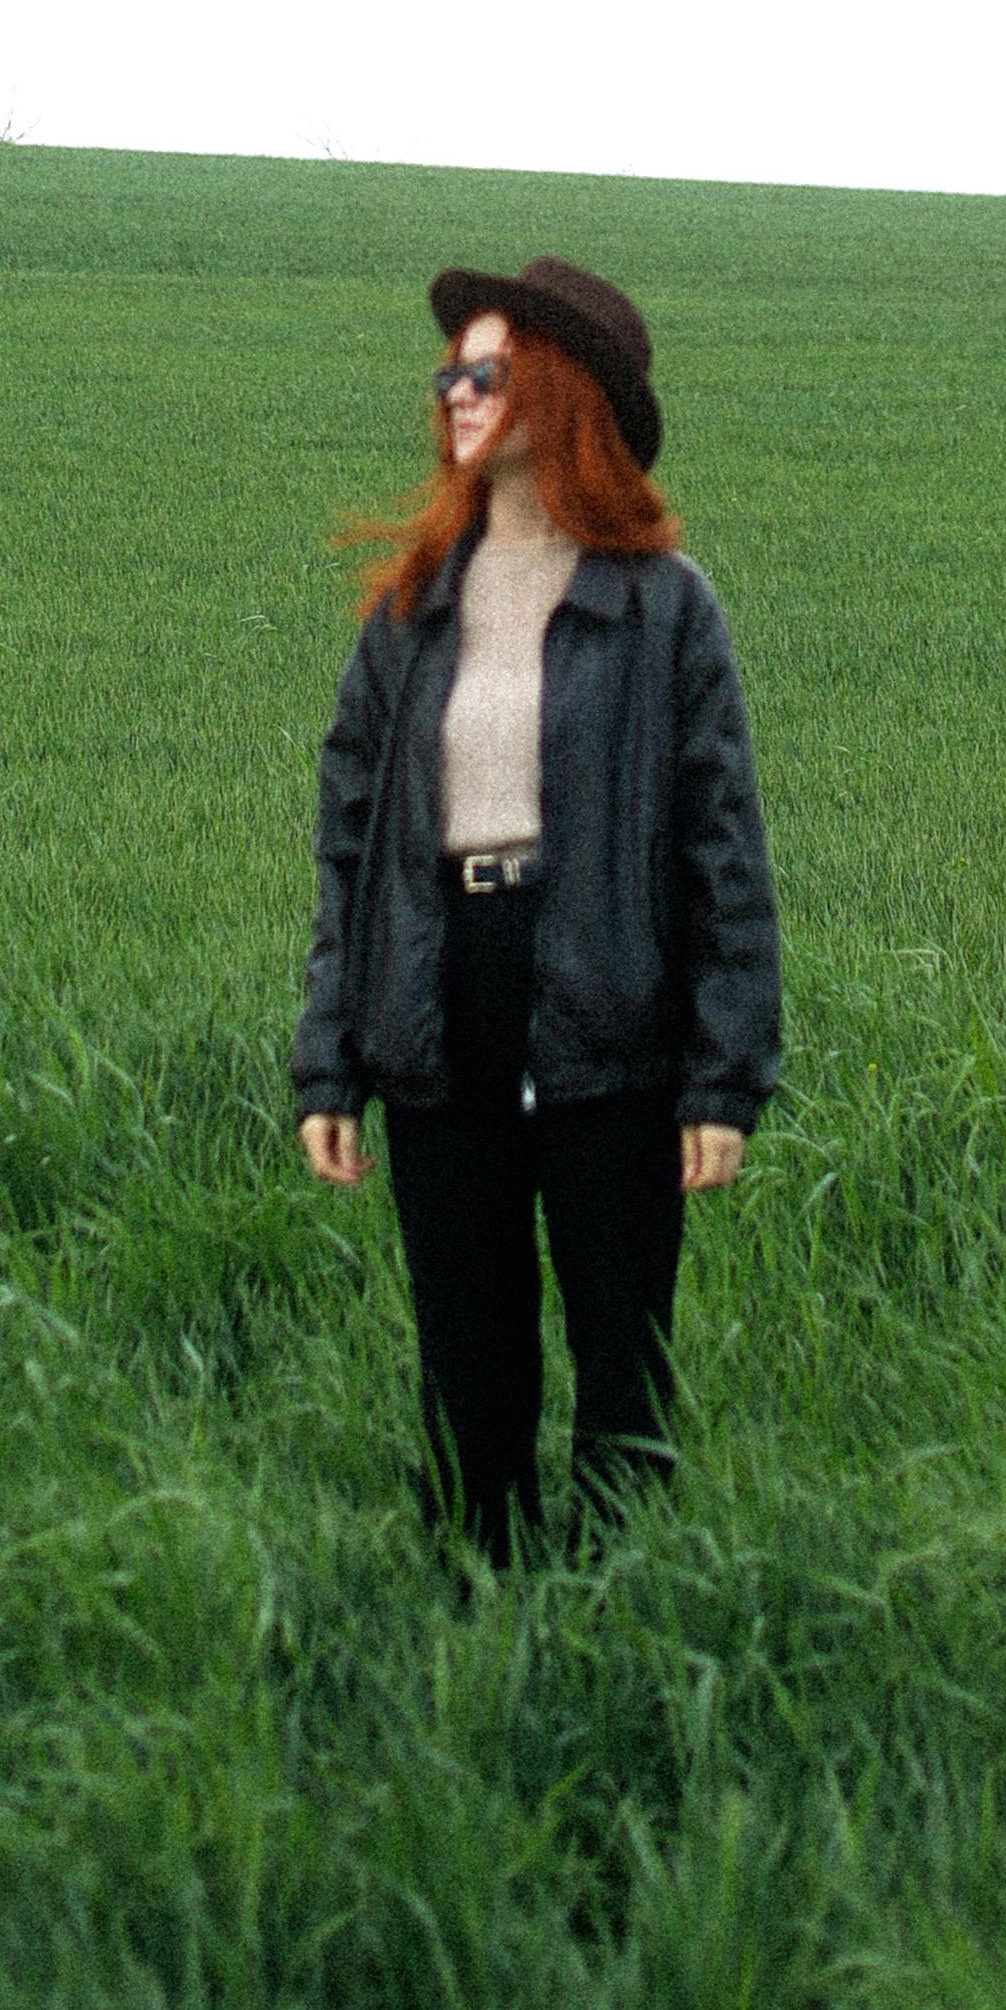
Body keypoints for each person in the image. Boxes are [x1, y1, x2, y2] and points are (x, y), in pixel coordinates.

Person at [294, 254, 782, 1559]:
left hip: (610, 1005)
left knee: (623, 1354)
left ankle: (628, 1620)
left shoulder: (665, 609)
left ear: (560, 393)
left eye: (486, 368)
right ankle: (476, 1617)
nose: (454, 389)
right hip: (439, 995)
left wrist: (725, 1080)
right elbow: (353, 855)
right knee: (468, 1353)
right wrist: (330, 1062)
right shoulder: (411, 611)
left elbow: (723, 855)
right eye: (450, 368)